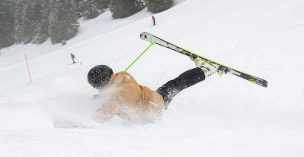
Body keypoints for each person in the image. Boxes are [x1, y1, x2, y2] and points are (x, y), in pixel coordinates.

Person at [87, 57, 223, 124]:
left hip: (153, 111)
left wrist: (82, 121)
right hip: (154, 99)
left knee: (175, 85)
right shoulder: (123, 76)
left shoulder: (115, 97)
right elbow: (121, 94)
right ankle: (204, 70)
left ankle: (207, 70)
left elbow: (104, 114)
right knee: (175, 84)